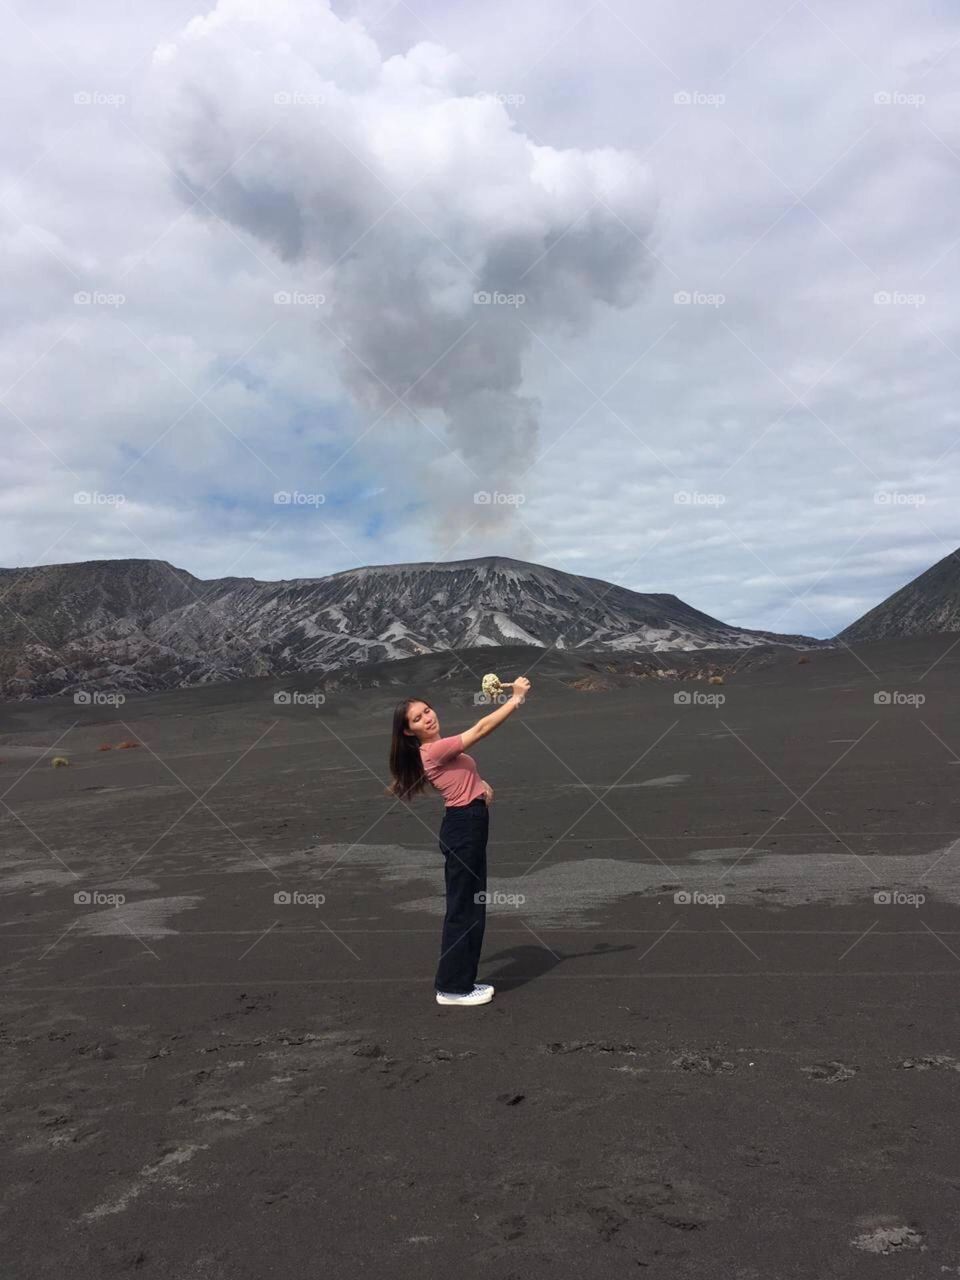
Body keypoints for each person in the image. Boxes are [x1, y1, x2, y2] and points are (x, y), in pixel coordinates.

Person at [386, 676, 532, 1007]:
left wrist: (480, 786)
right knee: (463, 907)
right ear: (408, 731)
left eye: (427, 710)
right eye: (418, 718)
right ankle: (452, 988)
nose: (427, 718)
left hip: (468, 823)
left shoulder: (438, 750)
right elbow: (480, 729)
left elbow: (460, 776)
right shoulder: (435, 749)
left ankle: (461, 980)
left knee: (470, 903)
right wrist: (515, 699)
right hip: (464, 827)